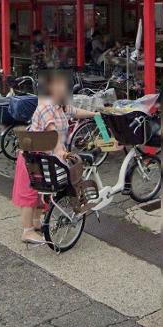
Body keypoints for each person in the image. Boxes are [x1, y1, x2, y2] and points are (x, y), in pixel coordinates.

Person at [12, 71, 96, 244]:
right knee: (29, 194)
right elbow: (52, 131)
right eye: (58, 85)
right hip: (32, 156)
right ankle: (27, 231)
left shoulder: (60, 105)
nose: (62, 89)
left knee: (39, 193)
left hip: (45, 157)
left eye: (63, 85)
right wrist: (60, 151)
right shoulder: (46, 105)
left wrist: (94, 114)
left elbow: (75, 111)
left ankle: (36, 223)